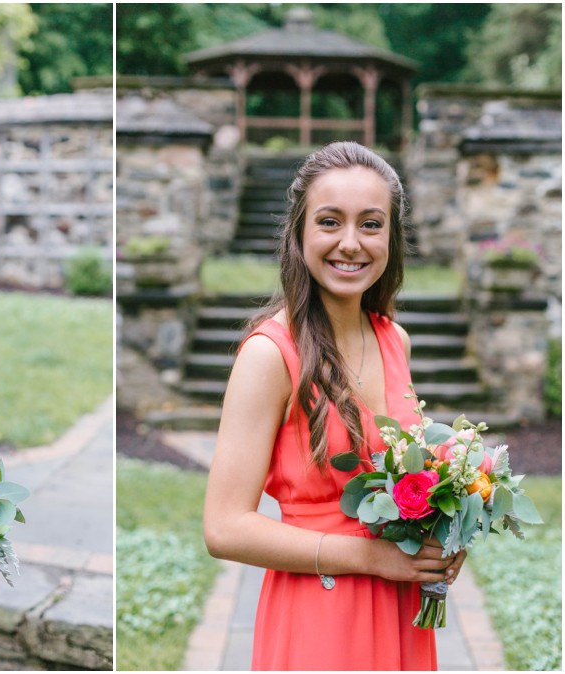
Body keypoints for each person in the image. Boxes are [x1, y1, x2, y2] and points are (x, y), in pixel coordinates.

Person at [203, 141, 467, 670]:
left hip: (401, 609)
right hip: (319, 613)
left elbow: (396, 482)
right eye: (330, 222)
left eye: (371, 224)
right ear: (299, 232)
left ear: (392, 236)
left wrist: (441, 534)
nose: (351, 243)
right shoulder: (270, 355)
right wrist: (372, 558)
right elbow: (224, 526)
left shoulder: (397, 340)